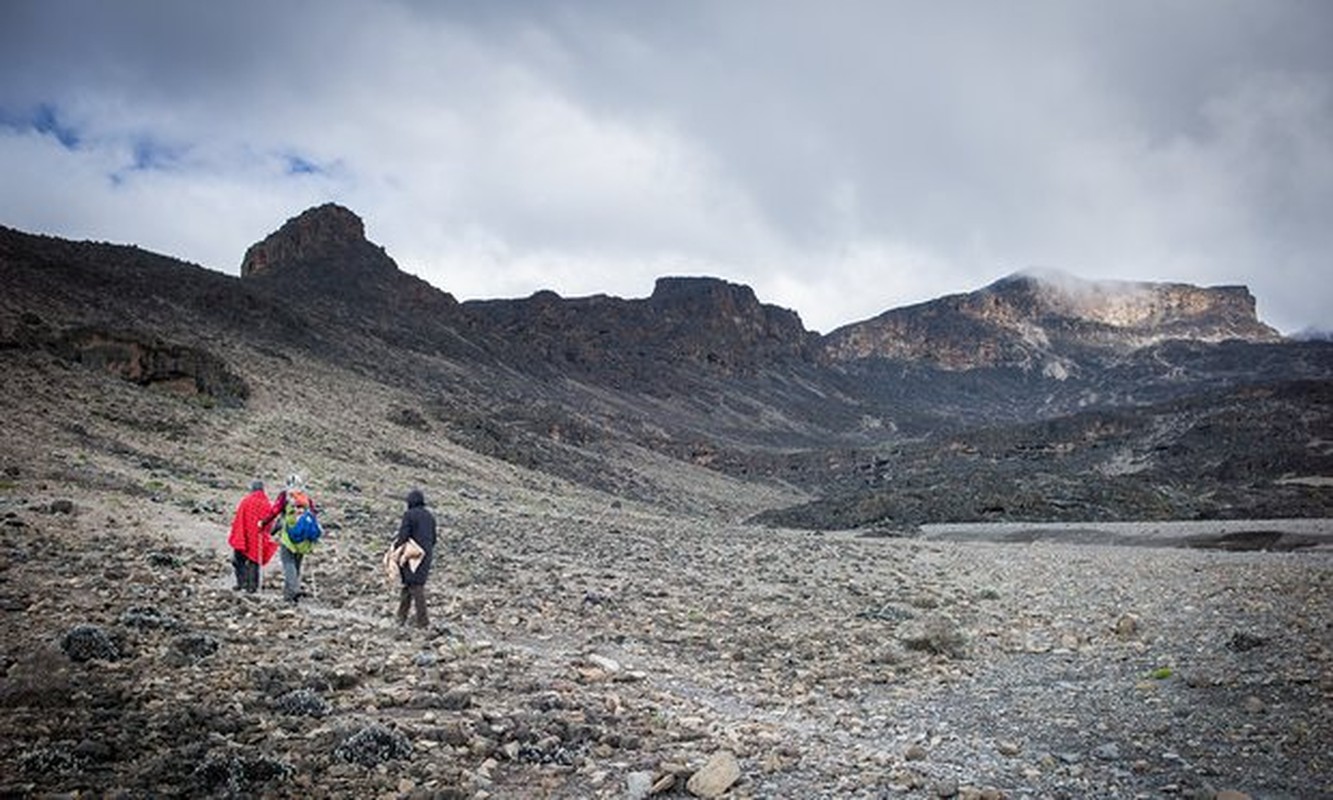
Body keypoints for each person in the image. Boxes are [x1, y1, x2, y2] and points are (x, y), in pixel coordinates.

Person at [262, 474, 321, 604]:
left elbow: (275, 511)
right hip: (304, 539)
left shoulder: (285, 495)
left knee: (288, 562)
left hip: (288, 536)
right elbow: (313, 517)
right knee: (296, 564)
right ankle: (289, 597)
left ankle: (293, 590)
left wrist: (263, 523)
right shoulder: (306, 499)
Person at [393, 488, 437, 628]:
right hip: (426, 554)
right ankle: (401, 617)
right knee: (410, 585)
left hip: (412, 555)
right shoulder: (429, 516)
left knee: (415, 586)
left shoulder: (409, 515)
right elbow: (434, 538)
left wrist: (397, 550)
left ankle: (423, 622)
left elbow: (404, 535)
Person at [228, 479, 276, 592]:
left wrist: (237, 534)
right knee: (254, 561)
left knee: (238, 560)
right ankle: (252, 587)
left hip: (244, 536)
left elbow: (238, 520)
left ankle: (241, 583)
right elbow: (269, 523)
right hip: (258, 538)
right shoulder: (267, 504)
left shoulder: (246, 501)